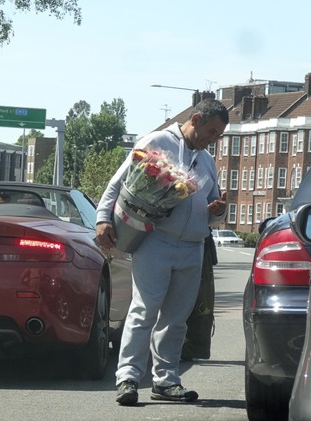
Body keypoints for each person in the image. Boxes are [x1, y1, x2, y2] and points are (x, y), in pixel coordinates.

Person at [95, 98, 228, 405]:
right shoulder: (157, 141)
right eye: (211, 131)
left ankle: (166, 381)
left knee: (177, 318)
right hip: (156, 242)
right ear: (194, 119)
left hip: (193, 247)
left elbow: (212, 209)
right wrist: (103, 218)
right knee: (144, 310)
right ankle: (128, 378)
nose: (213, 139)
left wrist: (218, 212)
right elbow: (118, 183)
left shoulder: (207, 161)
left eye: (218, 135)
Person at [181, 228, 218, 361]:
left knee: (200, 299)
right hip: (175, 241)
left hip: (199, 242)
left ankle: (191, 346)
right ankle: (185, 346)